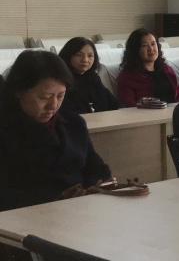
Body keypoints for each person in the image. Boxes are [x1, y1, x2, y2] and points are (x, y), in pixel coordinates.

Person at [0, 51, 112, 210]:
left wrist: (98, 185)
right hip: (27, 216)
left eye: (60, 96)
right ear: (19, 92)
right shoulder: (6, 130)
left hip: (80, 210)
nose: (53, 105)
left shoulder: (74, 123)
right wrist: (57, 199)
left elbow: (95, 167)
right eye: (44, 97)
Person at [116, 28, 179, 106]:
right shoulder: (127, 77)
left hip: (173, 111)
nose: (151, 49)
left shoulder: (166, 69)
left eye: (153, 44)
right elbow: (128, 107)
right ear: (135, 50)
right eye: (145, 45)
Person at [57, 37, 119, 115]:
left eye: (90, 56)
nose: (85, 60)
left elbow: (113, 104)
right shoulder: (60, 80)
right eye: (79, 55)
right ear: (68, 55)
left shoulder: (93, 77)